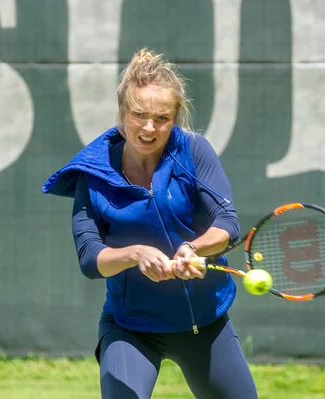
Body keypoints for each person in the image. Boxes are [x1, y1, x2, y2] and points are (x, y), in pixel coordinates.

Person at [42, 48, 258, 399]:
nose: (149, 127)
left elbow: (227, 224)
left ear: (174, 119)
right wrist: (136, 254)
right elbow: (89, 258)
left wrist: (193, 248)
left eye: (162, 118)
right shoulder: (91, 174)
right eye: (138, 115)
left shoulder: (193, 151)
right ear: (122, 114)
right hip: (131, 329)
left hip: (205, 324)